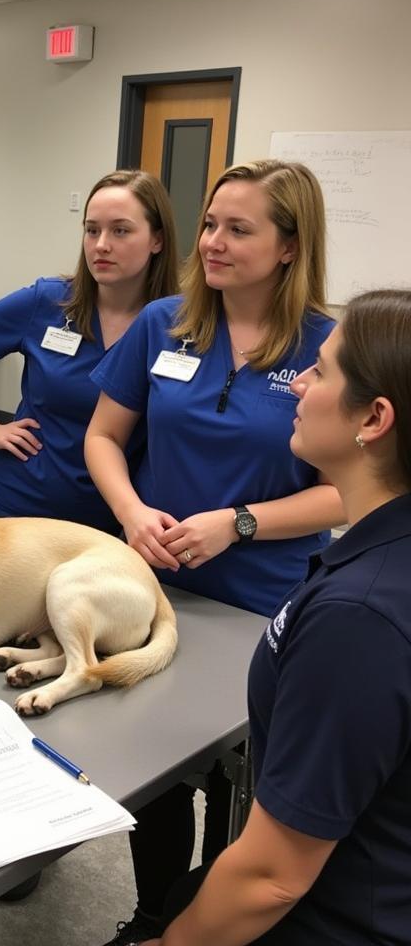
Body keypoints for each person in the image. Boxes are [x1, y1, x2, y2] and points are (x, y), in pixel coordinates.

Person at [84, 159, 346, 945]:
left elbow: (347, 490)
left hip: (263, 600)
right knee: (155, 768)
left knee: (247, 779)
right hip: (157, 586)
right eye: (208, 225)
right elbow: (102, 436)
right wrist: (131, 513)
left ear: (291, 246)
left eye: (239, 229)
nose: (214, 243)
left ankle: (214, 924)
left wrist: (238, 523)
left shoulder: (329, 350)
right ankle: (153, 913)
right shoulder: (165, 321)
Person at [136, 288, 411, 946]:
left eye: (319, 373)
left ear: (372, 419)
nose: (297, 388)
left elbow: (272, 878)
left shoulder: (359, 619)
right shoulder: (378, 559)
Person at [0, 169, 179, 532]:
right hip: (21, 502)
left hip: (112, 517)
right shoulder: (49, 301)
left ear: (157, 239)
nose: (101, 245)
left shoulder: (177, 326)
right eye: (92, 230)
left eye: (121, 230)